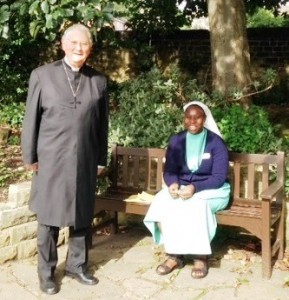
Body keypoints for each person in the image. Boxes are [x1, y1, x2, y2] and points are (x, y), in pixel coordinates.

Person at [21, 24, 109, 295]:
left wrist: (100, 158)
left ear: (90, 48)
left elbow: (101, 125)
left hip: (84, 160)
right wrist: (30, 157)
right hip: (51, 160)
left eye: (84, 44)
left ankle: (77, 266)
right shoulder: (42, 75)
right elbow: (31, 120)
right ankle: (46, 273)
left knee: (82, 216)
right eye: (73, 43)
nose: (79, 49)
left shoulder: (98, 80)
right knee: (48, 218)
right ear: (63, 45)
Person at [144, 101, 230, 279]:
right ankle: (174, 254)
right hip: (183, 188)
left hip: (213, 189)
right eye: (188, 117)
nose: (192, 121)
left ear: (204, 119)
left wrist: (195, 187)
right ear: (184, 119)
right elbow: (169, 171)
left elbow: (219, 177)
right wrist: (173, 183)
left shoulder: (216, 143)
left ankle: (201, 257)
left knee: (194, 205)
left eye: (197, 117)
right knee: (162, 202)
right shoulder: (177, 140)